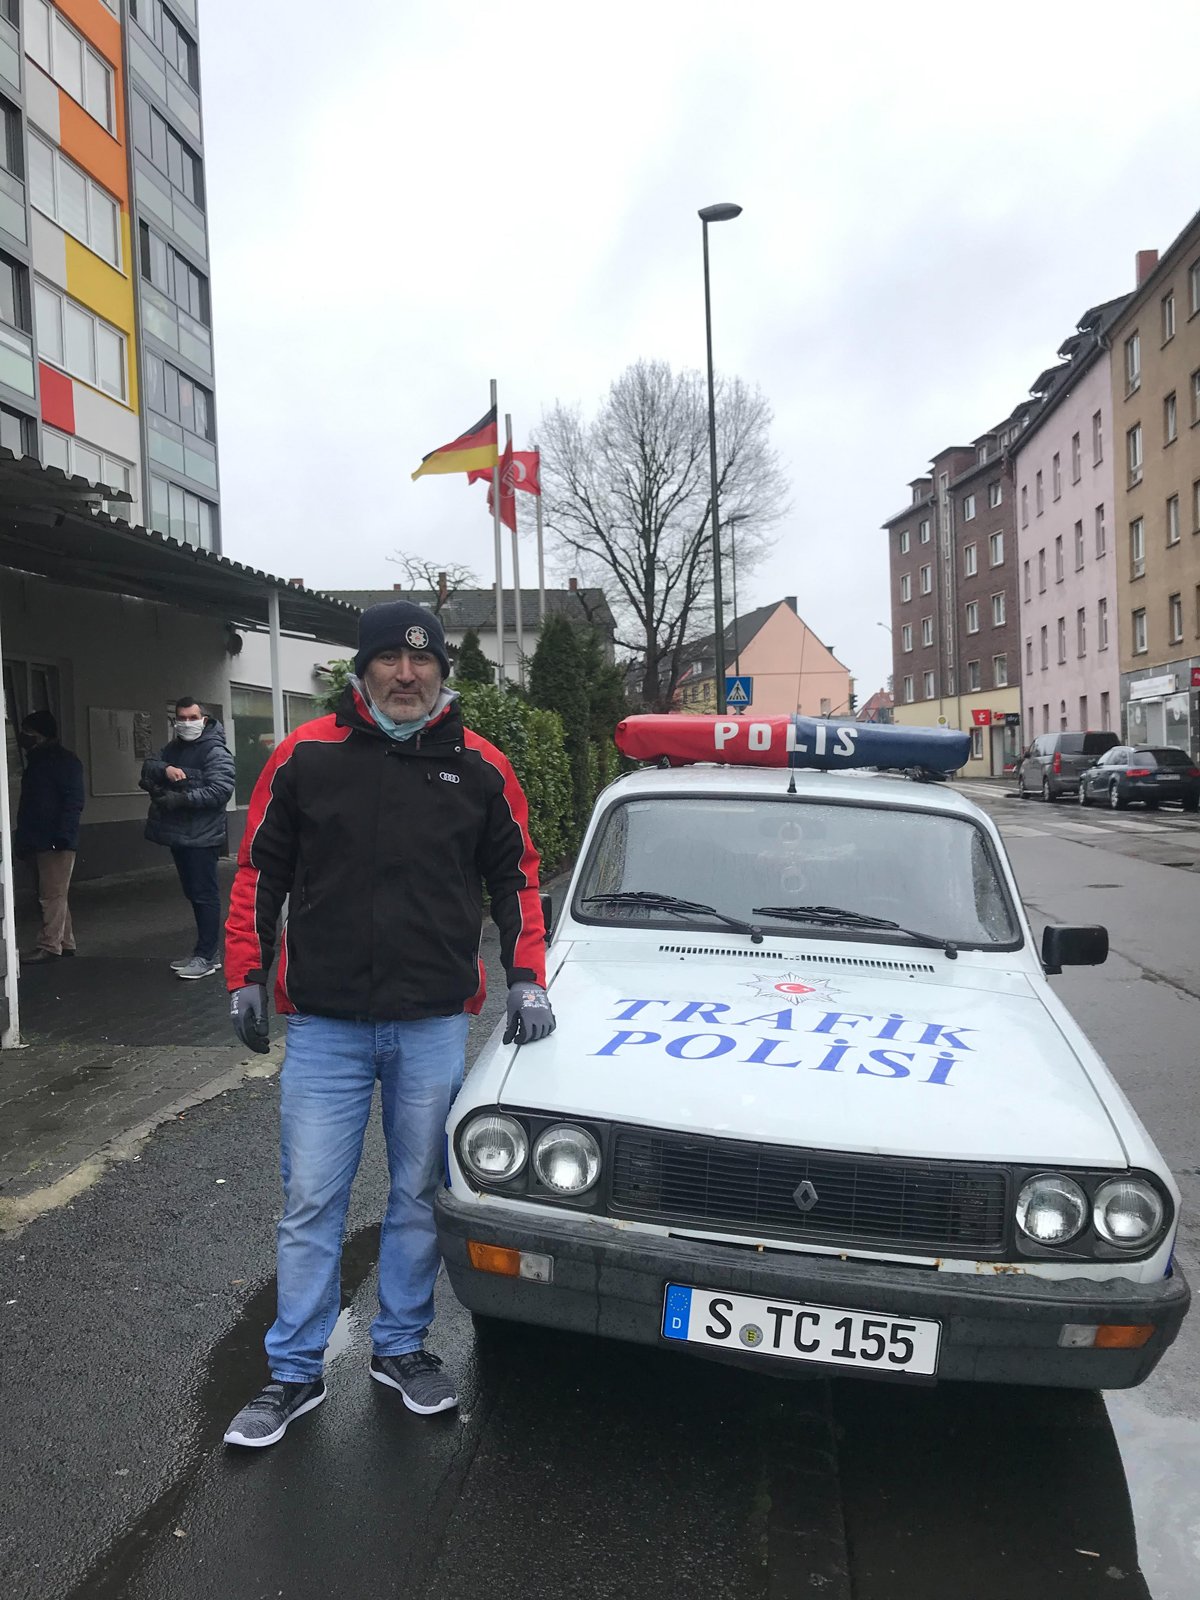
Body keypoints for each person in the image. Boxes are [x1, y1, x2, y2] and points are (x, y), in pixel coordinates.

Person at [221, 601, 555, 1449]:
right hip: (327, 1026)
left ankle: (400, 1348)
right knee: (310, 1201)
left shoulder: (480, 767)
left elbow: (516, 879)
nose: (407, 676)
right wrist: (246, 974)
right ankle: (294, 1369)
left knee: (418, 1195)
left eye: (423, 663)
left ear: (443, 671)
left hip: (432, 1023)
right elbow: (261, 871)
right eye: (389, 662)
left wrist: (526, 978)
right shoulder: (305, 757)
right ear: (362, 669)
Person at [139, 698, 235, 980]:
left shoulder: (215, 751)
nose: (187, 723)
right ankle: (202, 953)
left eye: (192, 717)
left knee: (204, 895)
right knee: (194, 894)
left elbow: (221, 791)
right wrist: (165, 770)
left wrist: (182, 799)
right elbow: (150, 765)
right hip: (182, 837)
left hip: (202, 837)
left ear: (203, 719)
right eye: (181, 718)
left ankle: (207, 955)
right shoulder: (174, 748)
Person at [14, 710, 84, 964]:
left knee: (51, 895)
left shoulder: (60, 762)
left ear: (41, 735)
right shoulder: (41, 761)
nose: (24, 737)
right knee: (55, 894)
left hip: (54, 840)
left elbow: (73, 802)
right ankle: (65, 942)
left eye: (29, 732)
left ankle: (49, 945)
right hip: (40, 839)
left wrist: (63, 837)